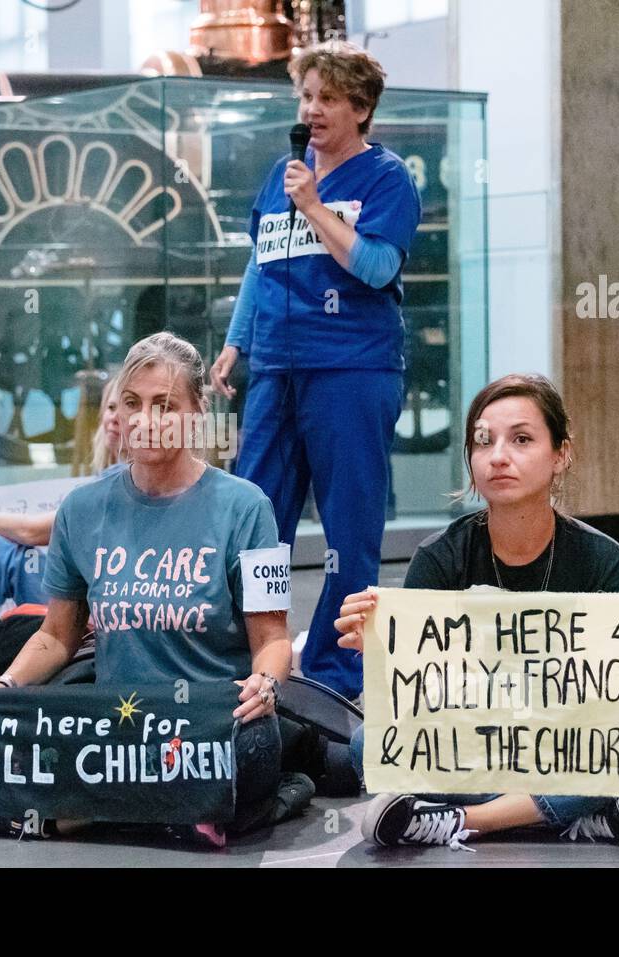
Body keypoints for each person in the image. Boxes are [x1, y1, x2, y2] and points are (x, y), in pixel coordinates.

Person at [0, 333, 300, 846]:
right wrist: (3, 688)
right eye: (133, 403)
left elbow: (272, 640)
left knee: (253, 749)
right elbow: (56, 638)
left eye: (165, 405)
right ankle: (173, 813)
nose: (146, 419)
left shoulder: (248, 507)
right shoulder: (81, 509)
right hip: (114, 729)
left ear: (198, 412)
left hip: (204, 723)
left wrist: (264, 686)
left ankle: (80, 815)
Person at [335, 374, 619, 849]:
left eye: (521, 440)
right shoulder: (439, 557)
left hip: (568, 743)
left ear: (561, 455)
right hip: (476, 745)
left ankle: (461, 821)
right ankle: (587, 812)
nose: (497, 456)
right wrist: (378, 649)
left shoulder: (602, 559)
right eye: (483, 441)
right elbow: (413, 704)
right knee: (366, 742)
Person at [208, 40, 422, 701]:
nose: (313, 109)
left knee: (349, 525)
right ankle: (256, 648)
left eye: (327, 98)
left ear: (361, 108)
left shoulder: (386, 179)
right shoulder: (282, 175)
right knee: (255, 515)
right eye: (306, 96)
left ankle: (337, 667)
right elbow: (259, 264)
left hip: (351, 367)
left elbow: (379, 267)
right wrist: (236, 341)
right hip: (276, 363)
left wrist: (315, 208)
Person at [0, 377, 125, 633]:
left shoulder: (122, 479)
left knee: (9, 555)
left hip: (98, 614)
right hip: (96, 603)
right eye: (111, 407)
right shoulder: (117, 477)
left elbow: (35, 533)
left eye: (129, 407)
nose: (114, 417)